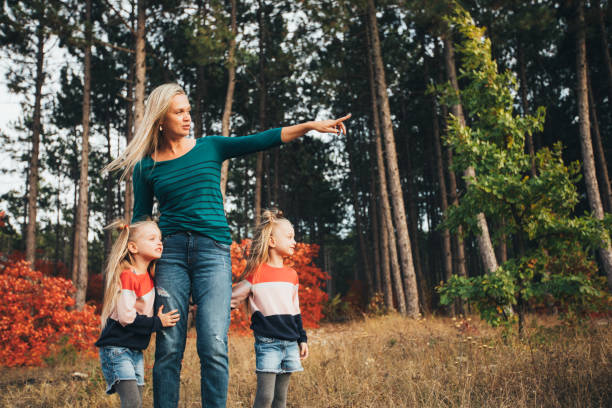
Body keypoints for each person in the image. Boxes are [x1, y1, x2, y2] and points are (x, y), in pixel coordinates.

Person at [104, 82, 349, 408]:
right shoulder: (146, 167)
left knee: (214, 344)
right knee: (169, 346)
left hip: (212, 252)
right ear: (161, 119)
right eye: (179, 112)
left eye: (189, 110)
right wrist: (130, 271)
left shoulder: (210, 147)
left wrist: (309, 126)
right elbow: (141, 222)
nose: (188, 117)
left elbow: (262, 139)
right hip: (171, 255)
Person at [95, 220, 181, 408]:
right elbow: (126, 317)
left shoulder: (149, 277)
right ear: (133, 247)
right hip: (117, 349)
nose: (159, 243)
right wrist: (157, 322)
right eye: (152, 239)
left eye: (160, 239)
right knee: (132, 403)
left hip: (135, 351)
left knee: (136, 402)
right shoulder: (127, 276)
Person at [231, 209, 308, 408]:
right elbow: (232, 299)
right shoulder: (256, 273)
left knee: (280, 399)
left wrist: (302, 339)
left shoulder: (292, 275)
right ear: (272, 242)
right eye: (289, 237)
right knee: (265, 397)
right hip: (268, 343)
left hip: (291, 343)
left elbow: (295, 310)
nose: (294, 242)